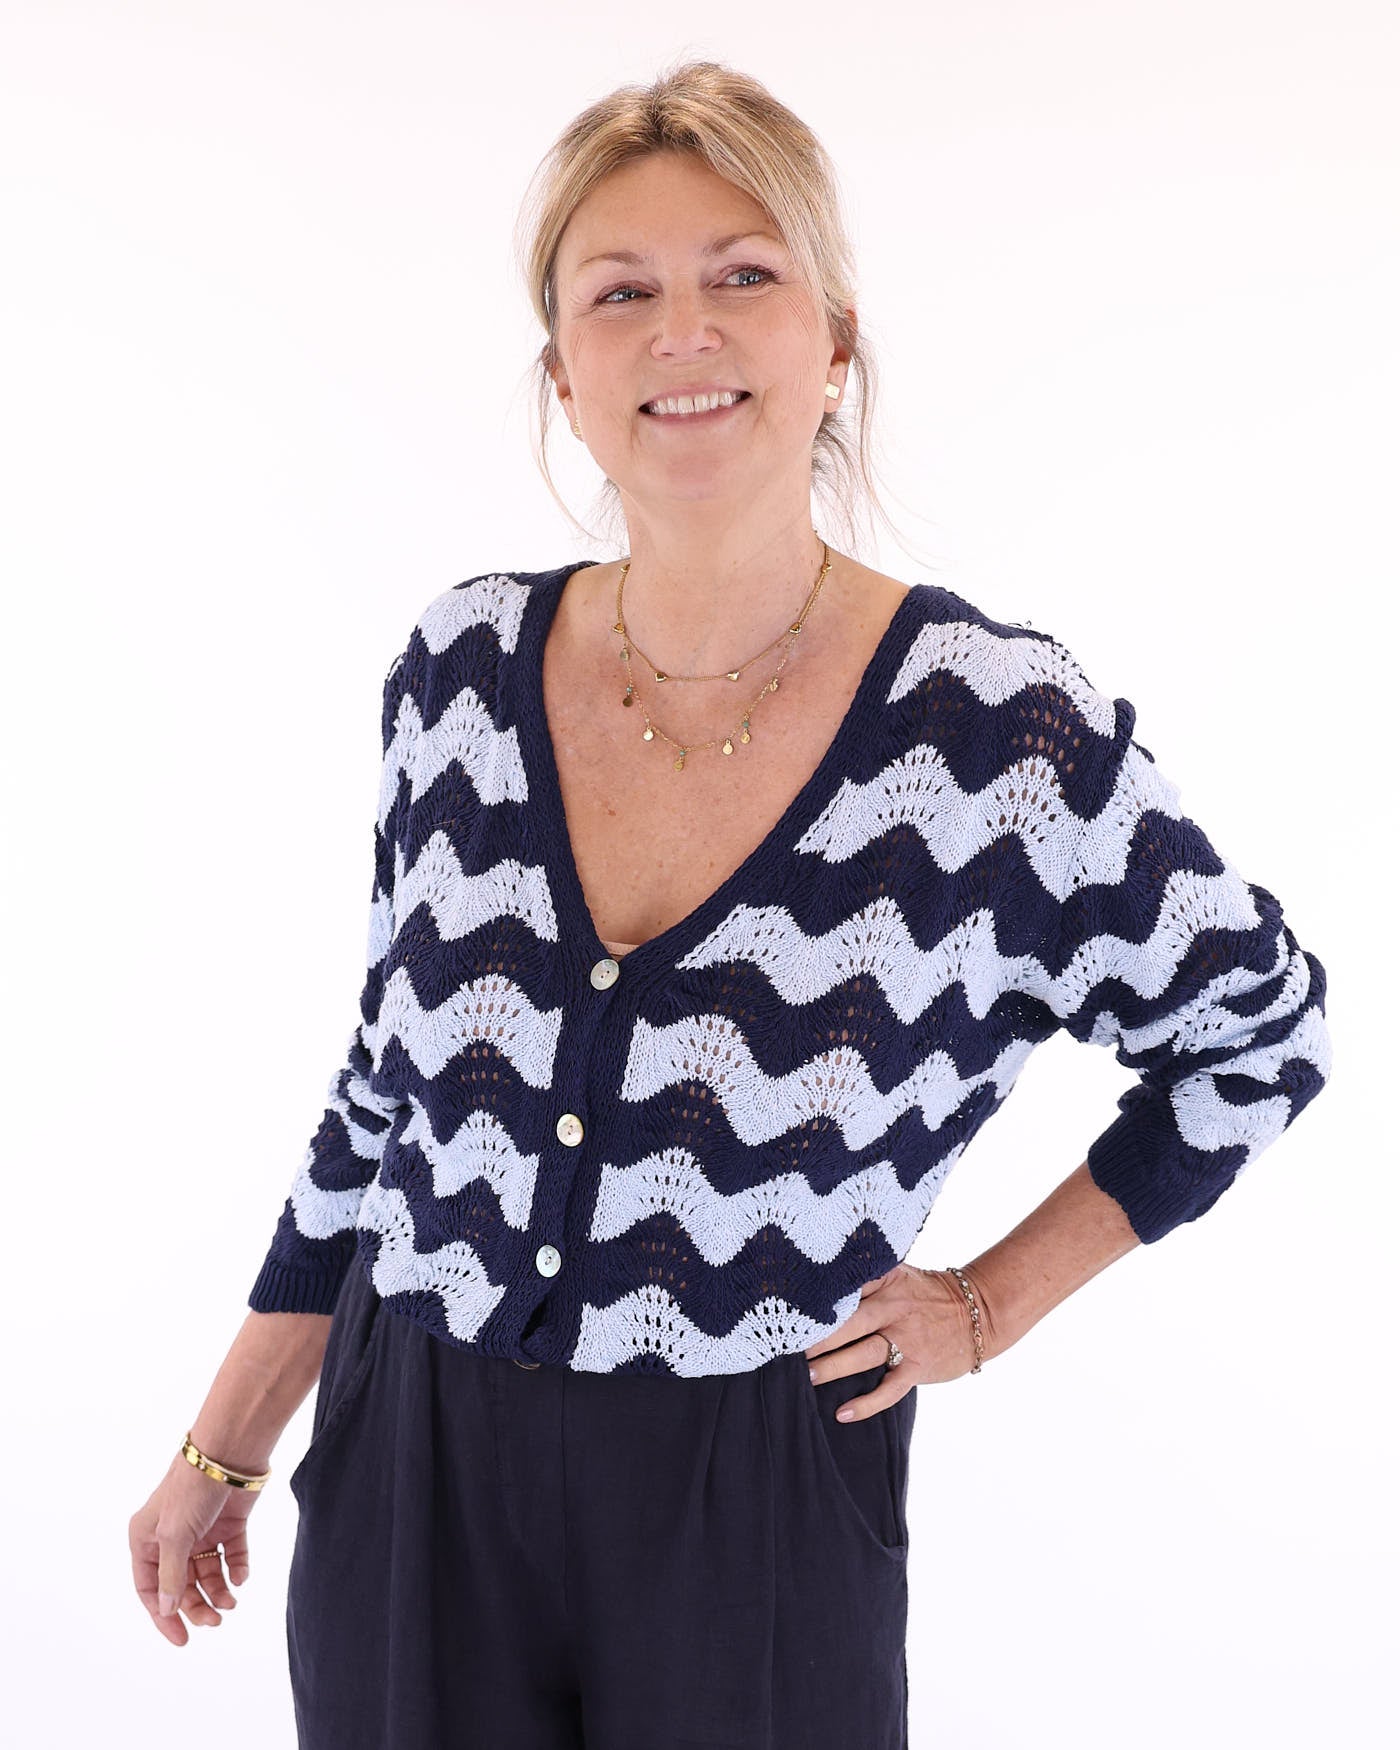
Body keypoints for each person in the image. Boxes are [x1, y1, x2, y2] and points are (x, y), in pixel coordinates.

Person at [128, 57, 1333, 1750]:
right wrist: (226, 1439)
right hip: (415, 1471)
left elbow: (1258, 1037)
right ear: (564, 373)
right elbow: (386, 1098)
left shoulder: (997, 734)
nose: (682, 332)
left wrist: (988, 1304)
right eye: (621, 293)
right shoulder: (458, 673)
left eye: (742, 275)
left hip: (752, 1495)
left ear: (834, 340)